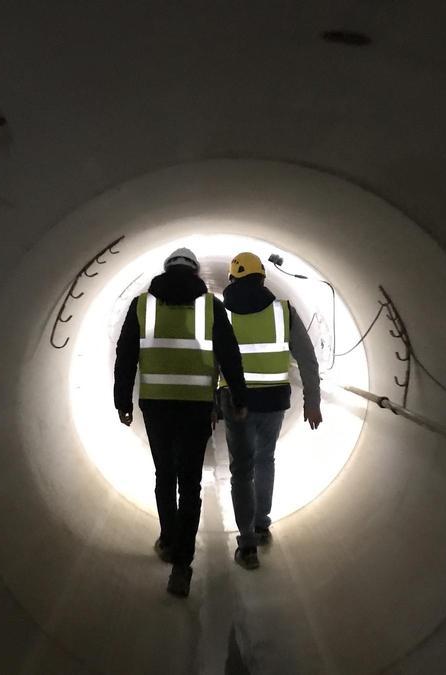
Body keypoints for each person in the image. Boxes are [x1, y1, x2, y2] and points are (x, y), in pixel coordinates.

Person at [114, 247, 249, 597]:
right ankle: (182, 565)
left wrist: (121, 401)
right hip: (195, 407)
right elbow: (229, 353)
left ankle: (168, 539)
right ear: (195, 273)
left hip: (156, 406)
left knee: (164, 475)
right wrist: (239, 396)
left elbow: (126, 354)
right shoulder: (210, 307)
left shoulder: (142, 304)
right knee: (189, 485)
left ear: (166, 270)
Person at [217, 252, 322, 570]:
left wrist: (210, 403)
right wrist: (312, 401)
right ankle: (262, 524)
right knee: (265, 460)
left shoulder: (221, 314)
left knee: (241, 470)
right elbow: (307, 358)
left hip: (237, 402)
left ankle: (247, 544)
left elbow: (213, 360)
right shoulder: (284, 311)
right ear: (263, 278)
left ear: (232, 279)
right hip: (274, 401)